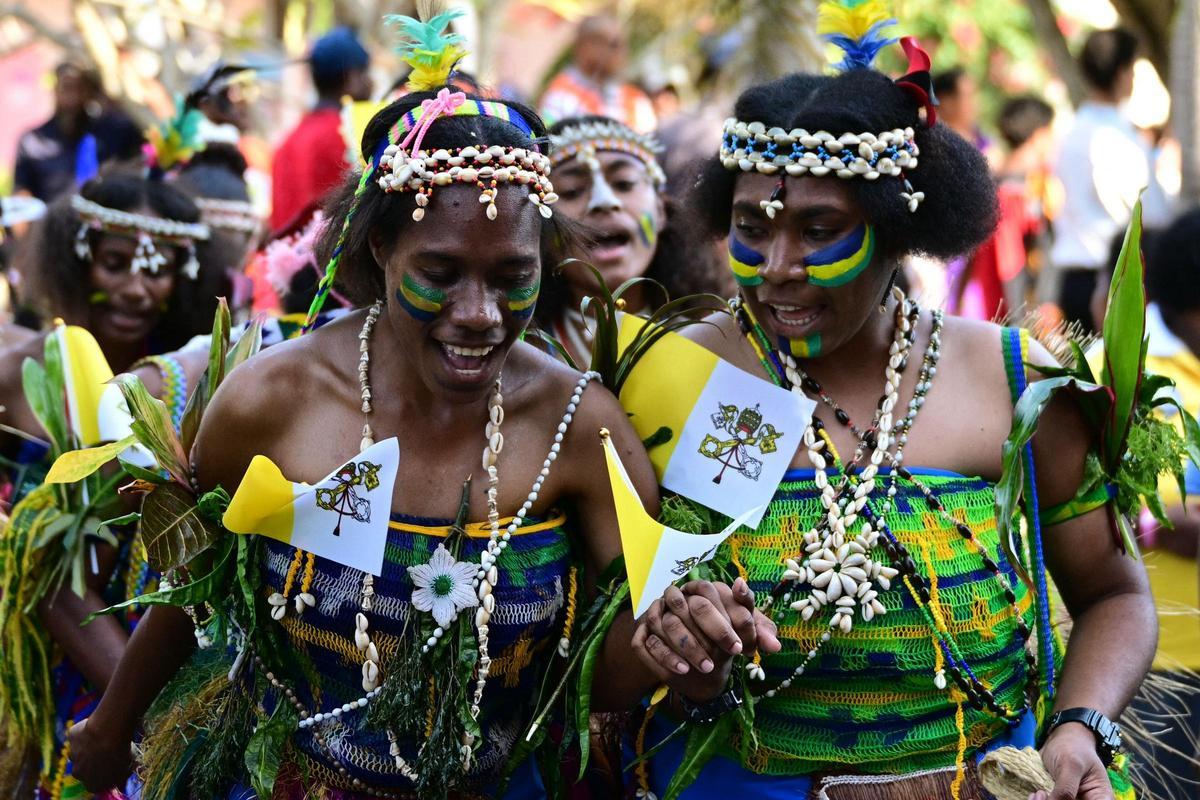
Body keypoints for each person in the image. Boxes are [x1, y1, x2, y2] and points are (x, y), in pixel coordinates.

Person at [63, 11, 773, 798]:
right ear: (378, 250)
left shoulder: (579, 425)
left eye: (511, 277)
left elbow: (597, 678)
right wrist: (110, 728)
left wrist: (683, 647)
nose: (478, 314)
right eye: (439, 270)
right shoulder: (274, 399)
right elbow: (191, 597)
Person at [622, 3, 1156, 797]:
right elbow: (600, 639)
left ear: (899, 229)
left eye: (819, 228)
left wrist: (1080, 724)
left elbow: (1114, 593)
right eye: (751, 226)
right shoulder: (671, 377)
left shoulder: (1017, 380)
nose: (776, 266)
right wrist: (672, 646)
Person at [0, 171, 218, 798]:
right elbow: (59, 578)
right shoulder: (21, 370)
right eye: (115, 264)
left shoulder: (185, 381)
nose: (137, 289)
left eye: (156, 270)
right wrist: (151, 731)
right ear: (72, 261)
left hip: (147, 643)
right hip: (51, 661)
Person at [536, 115, 724, 364]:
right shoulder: (523, 353)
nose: (603, 201)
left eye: (624, 183)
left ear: (660, 209)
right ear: (542, 227)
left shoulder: (718, 341)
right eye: (572, 190)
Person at [1046, 27, 1145, 333]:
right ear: (1120, 73)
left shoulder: (1074, 129)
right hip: (1108, 278)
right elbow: (1135, 207)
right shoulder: (1111, 135)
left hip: (1079, 277)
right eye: (1132, 69)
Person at [953, 96, 1057, 319]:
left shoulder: (998, 183)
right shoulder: (1017, 192)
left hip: (1002, 308)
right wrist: (1024, 320)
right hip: (1017, 314)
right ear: (1039, 136)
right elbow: (1011, 264)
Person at [269, 27, 374, 235]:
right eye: (365, 73)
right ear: (352, 78)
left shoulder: (287, 141)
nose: (371, 81)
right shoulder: (353, 137)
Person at [13, 62, 143, 204]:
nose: (72, 96)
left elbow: (136, 165)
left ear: (88, 92)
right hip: (53, 221)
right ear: (55, 89)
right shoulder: (33, 140)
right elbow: (22, 190)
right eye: (66, 87)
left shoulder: (113, 131)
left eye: (79, 88)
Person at [539, 15, 656, 134]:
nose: (622, 52)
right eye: (614, 44)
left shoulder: (636, 100)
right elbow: (549, 140)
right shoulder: (560, 94)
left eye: (624, 44)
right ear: (586, 46)